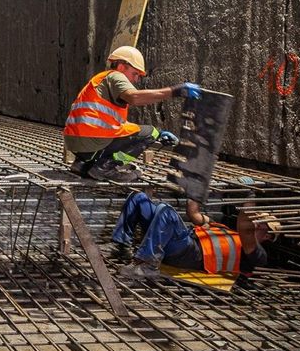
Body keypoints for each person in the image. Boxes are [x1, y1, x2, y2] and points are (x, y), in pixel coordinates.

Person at [64, 45, 201, 183]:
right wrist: (175, 91)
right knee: (150, 132)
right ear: (122, 66)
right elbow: (134, 97)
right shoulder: (116, 76)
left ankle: (82, 165)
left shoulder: (100, 80)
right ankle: (105, 167)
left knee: (152, 132)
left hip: (76, 142)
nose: (136, 80)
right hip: (92, 140)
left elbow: (118, 125)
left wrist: (160, 134)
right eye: (135, 73)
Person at [114, 192, 272, 280]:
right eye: (257, 218)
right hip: (181, 239)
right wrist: (199, 188)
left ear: (268, 237)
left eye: (263, 224)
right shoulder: (228, 230)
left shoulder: (257, 255)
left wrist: (251, 194)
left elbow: (246, 230)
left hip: (191, 254)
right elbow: (193, 213)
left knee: (166, 211)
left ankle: (148, 264)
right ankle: (123, 246)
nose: (257, 222)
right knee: (139, 198)